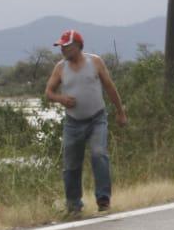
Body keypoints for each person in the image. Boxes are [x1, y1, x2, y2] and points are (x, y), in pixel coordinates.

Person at [44, 29, 126, 214]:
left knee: (99, 154)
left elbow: (110, 87)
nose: (62, 50)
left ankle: (103, 201)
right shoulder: (60, 68)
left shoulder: (95, 62)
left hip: (97, 119)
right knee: (71, 164)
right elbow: (48, 92)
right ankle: (74, 206)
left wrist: (120, 112)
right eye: (61, 47)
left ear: (78, 46)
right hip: (73, 122)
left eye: (66, 46)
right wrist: (61, 99)